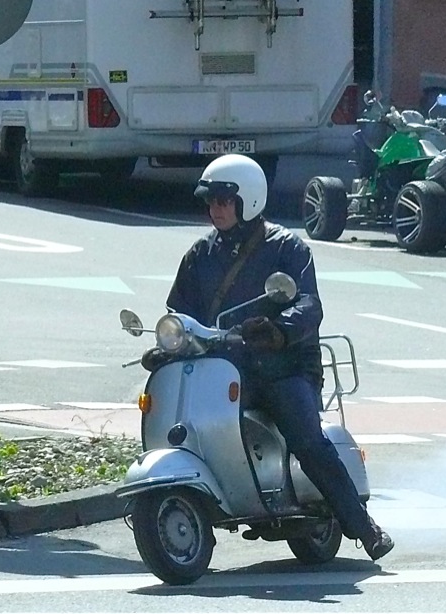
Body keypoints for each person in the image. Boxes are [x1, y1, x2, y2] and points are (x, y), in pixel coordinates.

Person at [165, 153, 395, 562]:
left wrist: (278, 330)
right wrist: (169, 339)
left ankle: (364, 527)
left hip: (284, 367)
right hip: (224, 368)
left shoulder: (286, 247)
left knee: (306, 438)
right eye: (211, 201)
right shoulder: (198, 255)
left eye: (223, 200)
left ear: (247, 200)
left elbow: (309, 305)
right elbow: (178, 313)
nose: (215, 208)